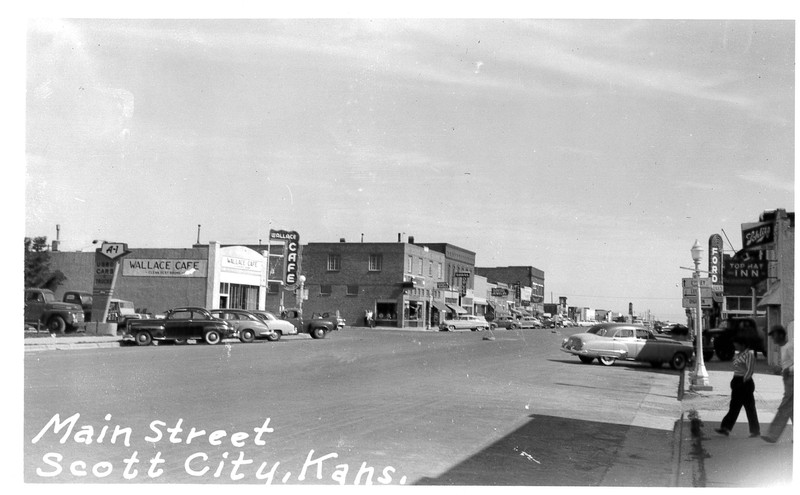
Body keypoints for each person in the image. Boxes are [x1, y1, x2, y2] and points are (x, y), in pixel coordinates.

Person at [715, 332, 760, 437]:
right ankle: (725, 428)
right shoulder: (739, 354)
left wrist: (743, 382)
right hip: (737, 381)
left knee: (750, 408)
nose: (736, 346)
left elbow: (750, 370)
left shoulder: (749, 354)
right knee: (734, 406)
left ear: (743, 344)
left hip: (744, 383)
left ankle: (755, 431)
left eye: (737, 344)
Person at [762, 323, 793, 443]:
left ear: (781, 335)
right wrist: (780, 369)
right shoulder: (784, 347)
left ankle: (772, 435)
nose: (772, 338)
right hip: (788, 380)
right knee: (792, 409)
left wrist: (787, 370)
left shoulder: (790, 346)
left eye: (774, 335)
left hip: (793, 380)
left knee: (784, 407)